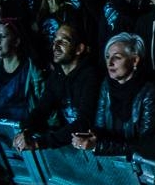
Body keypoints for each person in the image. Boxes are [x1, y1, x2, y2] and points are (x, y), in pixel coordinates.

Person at [15, 22, 100, 152]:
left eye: (63, 42)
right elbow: (42, 109)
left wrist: (40, 143)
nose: (55, 46)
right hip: (71, 147)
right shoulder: (57, 76)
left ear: (79, 49)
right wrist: (26, 131)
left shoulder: (91, 76)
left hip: (93, 150)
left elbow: (84, 122)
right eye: (55, 40)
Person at [72, 33, 155, 157]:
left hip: (138, 164)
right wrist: (89, 137)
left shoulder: (149, 91)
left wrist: (99, 145)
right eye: (107, 57)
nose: (110, 63)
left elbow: (144, 144)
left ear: (135, 60)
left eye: (117, 57)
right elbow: (100, 128)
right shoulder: (106, 85)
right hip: (112, 161)